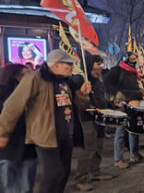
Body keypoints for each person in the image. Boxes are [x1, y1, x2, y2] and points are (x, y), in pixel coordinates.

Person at [0, 50, 91, 193]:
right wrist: (3, 132)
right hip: (46, 136)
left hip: (66, 135)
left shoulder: (64, 81)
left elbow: (75, 105)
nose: (71, 69)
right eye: (68, 66)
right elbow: (12, 106)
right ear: (55, 65)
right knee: (52, 175)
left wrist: (83, 95)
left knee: (63, 174)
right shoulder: (34, 79)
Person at [73, 55, 113, 191]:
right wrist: (82, 93)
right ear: (90, 64)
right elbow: (75, 98)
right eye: (97, 64)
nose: (100, 67)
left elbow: (101, 97)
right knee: (89, 148)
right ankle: (80, 178)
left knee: (99, 146)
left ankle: (95, 172)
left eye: (101, 64)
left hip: (101, 117)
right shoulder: (80, 79)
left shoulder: (98, 80)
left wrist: (111, 105)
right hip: (87, 118)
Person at [104, 52, 144, 168]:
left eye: (134, 59)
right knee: (120, 132)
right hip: (122, 104)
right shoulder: (117, 70)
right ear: (125, 59)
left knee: (134, 130)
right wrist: (115, 98)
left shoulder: (133, 72)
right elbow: (107, 83)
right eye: (131, 59)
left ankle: (134, 154)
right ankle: (118, 159)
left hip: (133, 103)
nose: (133, 61)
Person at [0, 64, 36, 193]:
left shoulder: (32, 91)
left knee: (26, 184)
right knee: (9, 185)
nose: (27, 77)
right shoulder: (4, 92)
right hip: (8, 146)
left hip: (28, 144)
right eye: (23, 74)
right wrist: (3, 133)